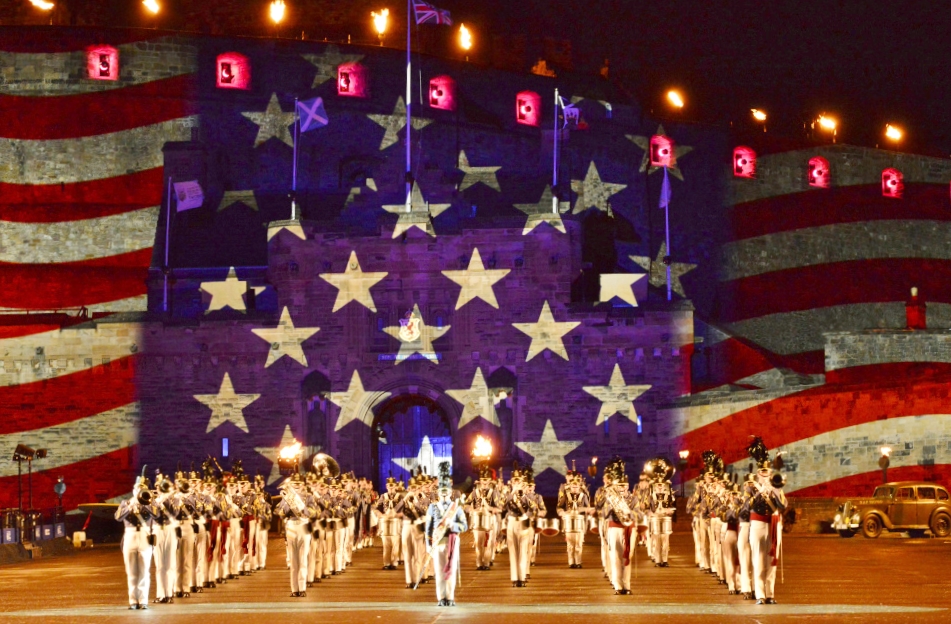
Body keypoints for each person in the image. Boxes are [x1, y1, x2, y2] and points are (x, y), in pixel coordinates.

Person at [747, 436, 787, 605]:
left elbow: (783, 506)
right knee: (758, 558)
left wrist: (775, 491)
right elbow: (747, 507)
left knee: (772, 559)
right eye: (763, 472)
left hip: (773, 524)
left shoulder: (776, 486)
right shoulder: (751, 487)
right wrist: (760, 491)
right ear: (758, 473)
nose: (766, 475)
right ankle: (760, 594)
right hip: (757, 524)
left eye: (768, 472)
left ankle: (770, 594)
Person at [425, 462, 468, 607]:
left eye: (446, 492)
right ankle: (441, 597)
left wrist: (453, 525)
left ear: (450, 492)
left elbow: (464, 526)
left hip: (452, 541)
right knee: (439, 570)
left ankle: (450, 597)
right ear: (438, 493)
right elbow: (428, 528)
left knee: (451, 569)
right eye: (441, 492)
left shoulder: (456, 508)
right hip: (438, 542)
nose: (444, 494)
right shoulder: (432, 507)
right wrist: (428, 544)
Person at [115, 467, 159, 610]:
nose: (139, 490)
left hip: (145, 536)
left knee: (144, 570)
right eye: (137, 487)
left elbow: (157, 515)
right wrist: (130, 507)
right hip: (130, 535)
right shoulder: (125, 503)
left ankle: (143, 600)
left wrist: (145, 504)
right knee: (131, 571)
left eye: (142, 488)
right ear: (134, 489)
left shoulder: (150, 502)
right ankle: (133, 601)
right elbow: (117, 517)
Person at [274, 473, 317, 597]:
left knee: (303, 559)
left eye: (299, 484)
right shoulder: (286, 497)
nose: (297, 486)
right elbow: (279, 512)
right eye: (294, 484)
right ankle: (294, 589)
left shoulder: (309, 497)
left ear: (303, 485)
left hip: (303, 525)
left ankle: (302, 588)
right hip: (291, 525)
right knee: (293, 561)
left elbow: (313, 512)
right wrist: (289, 504)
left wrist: (302, 507)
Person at [601, 458, 637, 595]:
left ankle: (627, 586)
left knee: (627, 557)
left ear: (628, 486)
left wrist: (627, 511)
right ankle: (618, 586)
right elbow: (604, 514)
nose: (622, 488)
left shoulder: (633, 499)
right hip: (614, 528)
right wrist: (612, 506)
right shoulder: (609, 497)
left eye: (624, 486)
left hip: (628, 528)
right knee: (614, 557)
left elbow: (638, 513)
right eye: (619, 486)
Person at [557, 469, 592, 569]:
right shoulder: (566, 496)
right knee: (570, 544)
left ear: (579, 487)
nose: (575, 488)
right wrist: (562, 512)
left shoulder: (583, 496)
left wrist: (585, 510)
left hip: (579, 522)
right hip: (569, 522)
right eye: (573, 487)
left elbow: (588, 507)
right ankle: (571, 562)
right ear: (570, 487)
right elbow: (559, 507)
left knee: (579, 544)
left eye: (576, 487)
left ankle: (578, 562)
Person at [468, 466, 500, 570]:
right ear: (480, 480)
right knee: (478, 542)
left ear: (490, 480)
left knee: (490, 542)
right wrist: (471, 510)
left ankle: (486, 562)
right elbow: (466, 504)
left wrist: (490, 508)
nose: (484, 482)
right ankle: (479, 562)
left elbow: (500, 508)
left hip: (490, 518)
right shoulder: (474, 492)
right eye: (482, 480)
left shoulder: (494, 493)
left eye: (486, 480)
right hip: (477, 519)